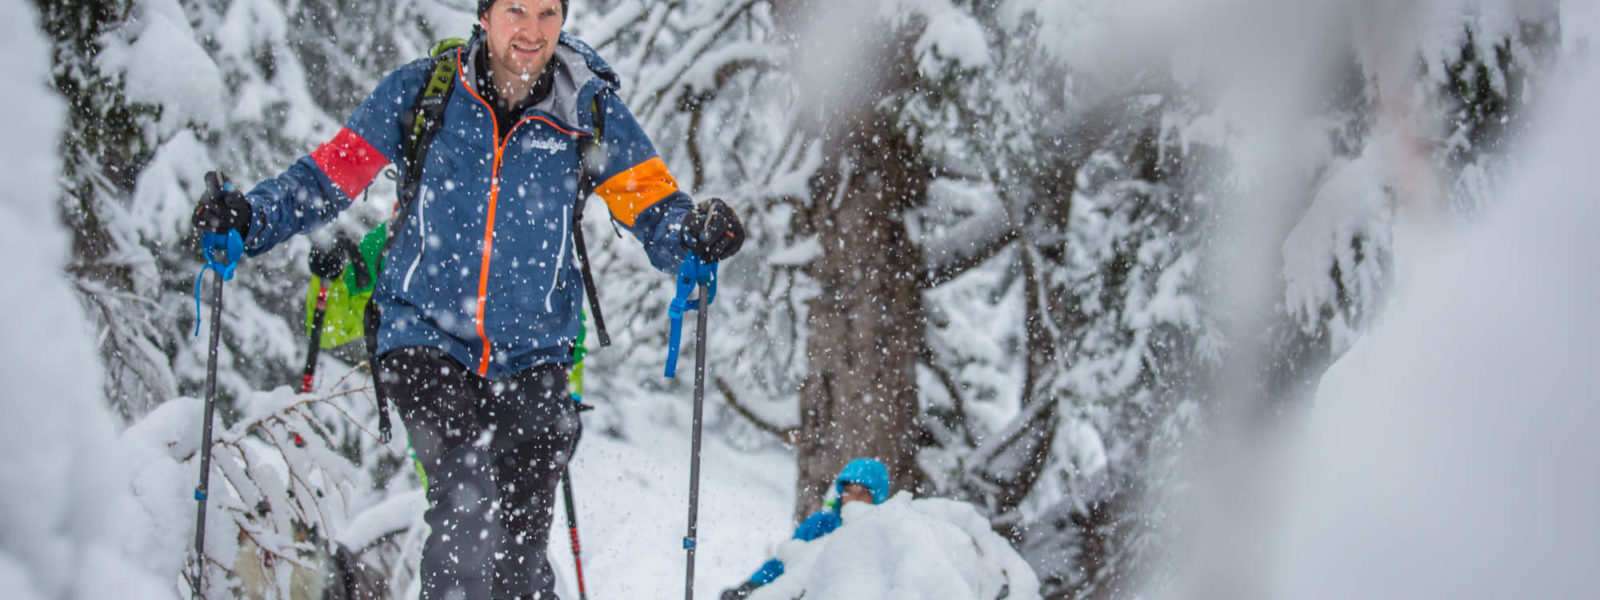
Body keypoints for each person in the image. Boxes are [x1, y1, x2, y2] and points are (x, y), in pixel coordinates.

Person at [190, 0, 745, 598]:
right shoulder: (426, 93)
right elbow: (329, 175)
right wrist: (252, 218)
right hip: (426, 338)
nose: (532, 32)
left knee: (521, 557)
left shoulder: (587, 108)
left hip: (535, 357)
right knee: (465, 509)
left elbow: (652, 202)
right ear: (484, 15)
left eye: (548, 13)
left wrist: (693, 230)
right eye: (516, 11)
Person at [721, 458, 892, 600]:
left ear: (877, 498)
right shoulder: (821, 524)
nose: (854, 499)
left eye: (862, 493)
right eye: (849, 491)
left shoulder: (884, 534)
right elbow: (786, 562)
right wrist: (752, 586)